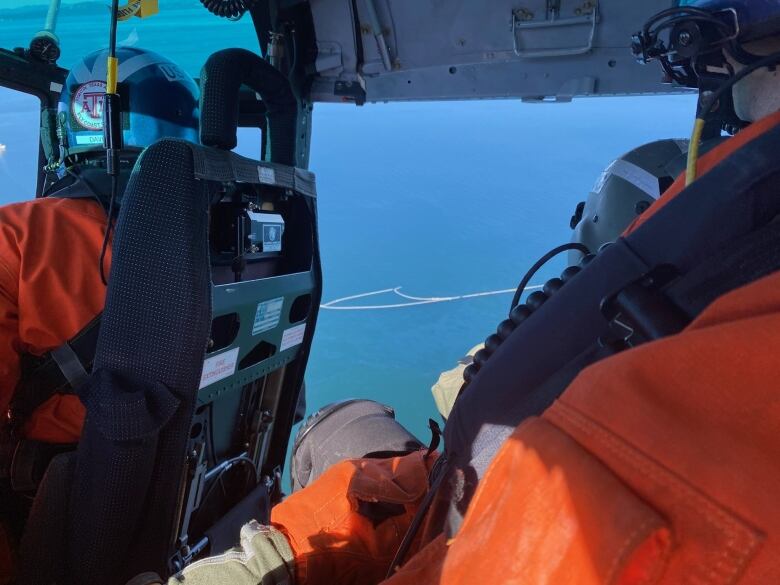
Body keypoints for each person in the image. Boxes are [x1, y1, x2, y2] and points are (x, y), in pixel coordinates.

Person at [145, 1, 780, 582]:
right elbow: (462, 477)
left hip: (449, 519)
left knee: (332, 430)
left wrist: (262, 565)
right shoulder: (714, 254)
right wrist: (277, 553)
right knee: (340, 425)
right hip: (444, 494)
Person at [0, 47, 199, 583]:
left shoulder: (16, 237)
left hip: (59, 504)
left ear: (72, 126)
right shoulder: (217, 237)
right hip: (190, 499)